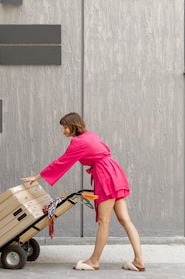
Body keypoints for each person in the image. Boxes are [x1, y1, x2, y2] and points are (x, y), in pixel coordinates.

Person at [21, 112, 145, 272]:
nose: (63, 130)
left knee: (103, 221)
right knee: (125, 220)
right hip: (115, 172)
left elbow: (61, 162)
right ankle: (139, 260)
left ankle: (94, 261)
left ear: (73, 126)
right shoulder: (91, 135)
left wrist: (38, 176)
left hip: (105, 176)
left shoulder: (78, 142)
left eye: (65, 127)